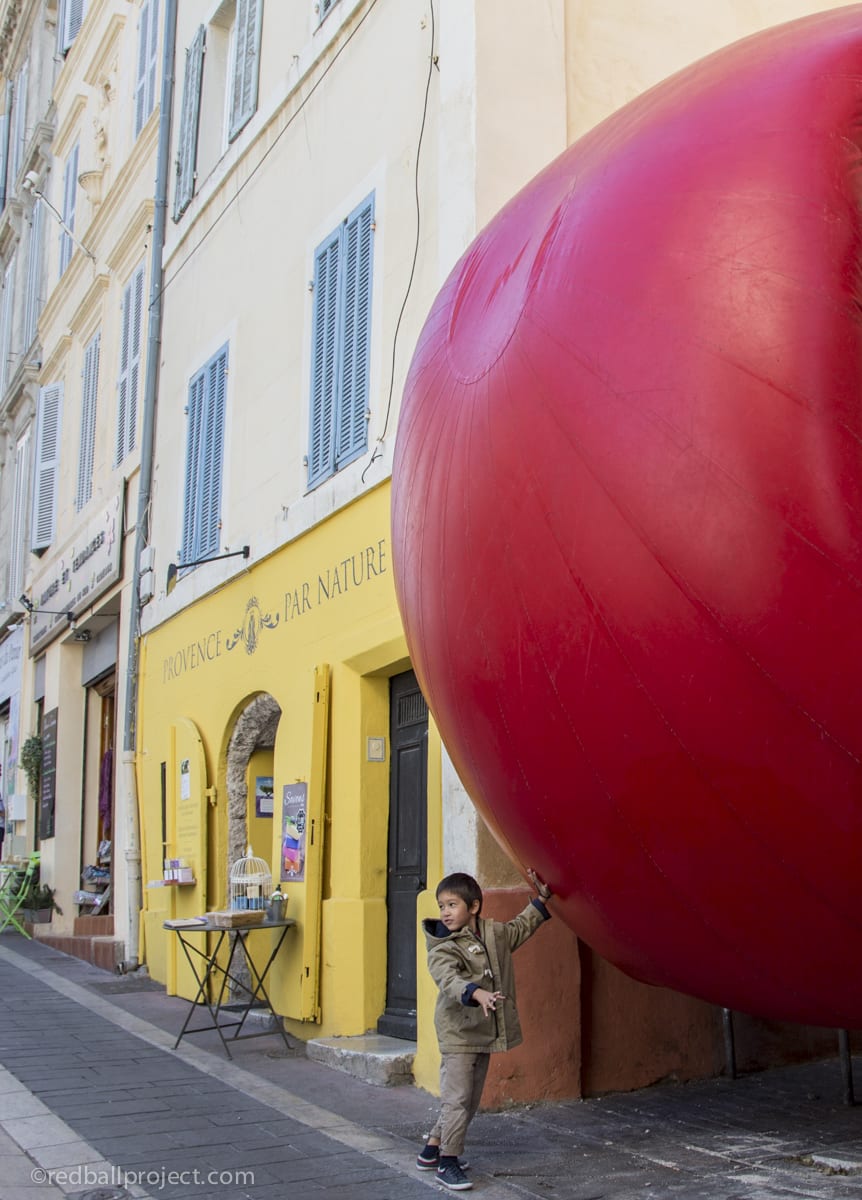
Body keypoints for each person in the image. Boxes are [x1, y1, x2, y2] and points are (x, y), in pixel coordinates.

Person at [416, 867, 552, 1191]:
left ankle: (431, 1148)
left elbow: (519, 929)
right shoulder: (442, 946)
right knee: (458, 1098)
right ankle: (448, 1162)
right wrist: (475, 993)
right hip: (458, 1033)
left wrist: (542, 900)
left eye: (452, 905)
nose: (445, 912)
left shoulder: (493, 934)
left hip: (483, 1031)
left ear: (474, 906)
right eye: (441, 906)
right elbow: (449, 979)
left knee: (468, 1099)